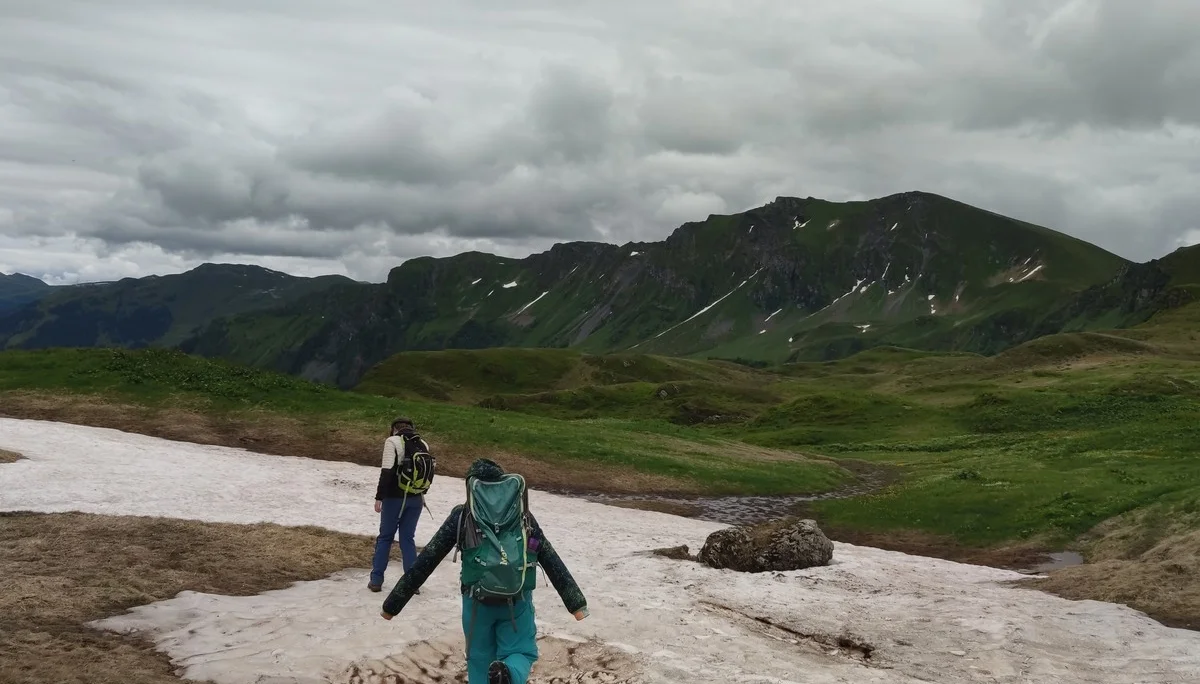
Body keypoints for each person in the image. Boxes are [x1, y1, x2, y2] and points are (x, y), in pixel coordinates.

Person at [379, 458, 588, 684]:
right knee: (520, 652)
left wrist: (392, 605)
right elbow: (550, 558)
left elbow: (427, 560)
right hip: (516, 600)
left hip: (476, 601)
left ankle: (496, 675)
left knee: (479, 660)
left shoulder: (462, 516)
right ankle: (507, 672)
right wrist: (576, 604)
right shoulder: (523, 516)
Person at [369, 417, 434, 592]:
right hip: (416, 498)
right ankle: (412, 584)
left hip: (394, 499)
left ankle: (376, 581)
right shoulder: (423, 444)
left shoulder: (392, 442)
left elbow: (387, 472)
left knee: (385, 538)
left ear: (393, 429)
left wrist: (379, 497)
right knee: (407, 538)